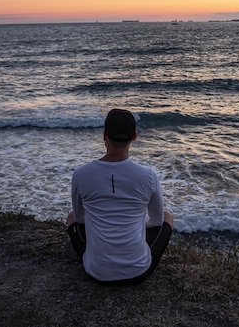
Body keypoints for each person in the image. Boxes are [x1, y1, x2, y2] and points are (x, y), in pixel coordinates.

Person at [66, 108, 174, 286]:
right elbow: (156, 221)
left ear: (104, 136)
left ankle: (94, 257)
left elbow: (79, 217)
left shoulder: (81, 174)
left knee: (71, 217)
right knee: (167, 216)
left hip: (96, 273)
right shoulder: (148, 176)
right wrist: (134, 223)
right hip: (138, 272)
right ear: (135, 137)